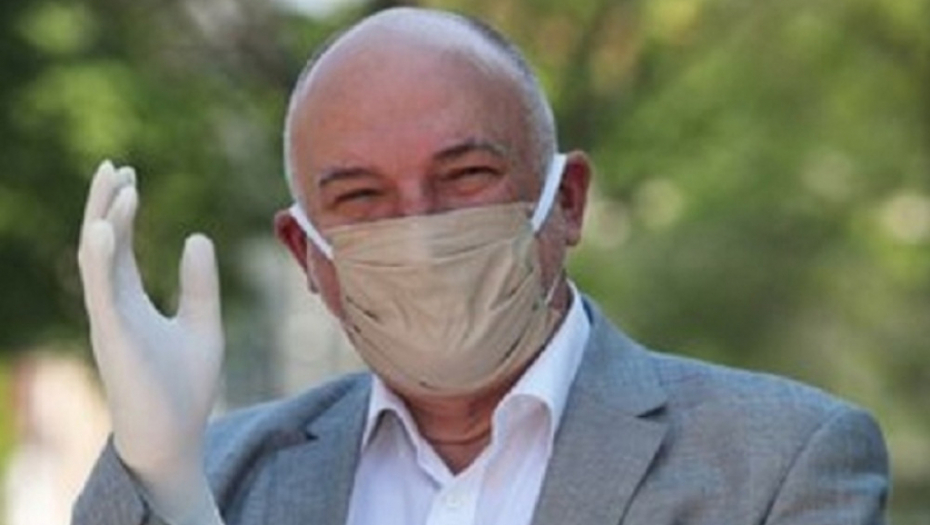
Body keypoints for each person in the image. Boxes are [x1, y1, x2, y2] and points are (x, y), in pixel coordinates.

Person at [72, 7, 889, 525]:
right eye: (361, 196)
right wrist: (158, 480)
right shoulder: (213, 479)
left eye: (466, 175)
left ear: (566, 201)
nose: (419, 225)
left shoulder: (780, 462)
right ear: (306, 254)